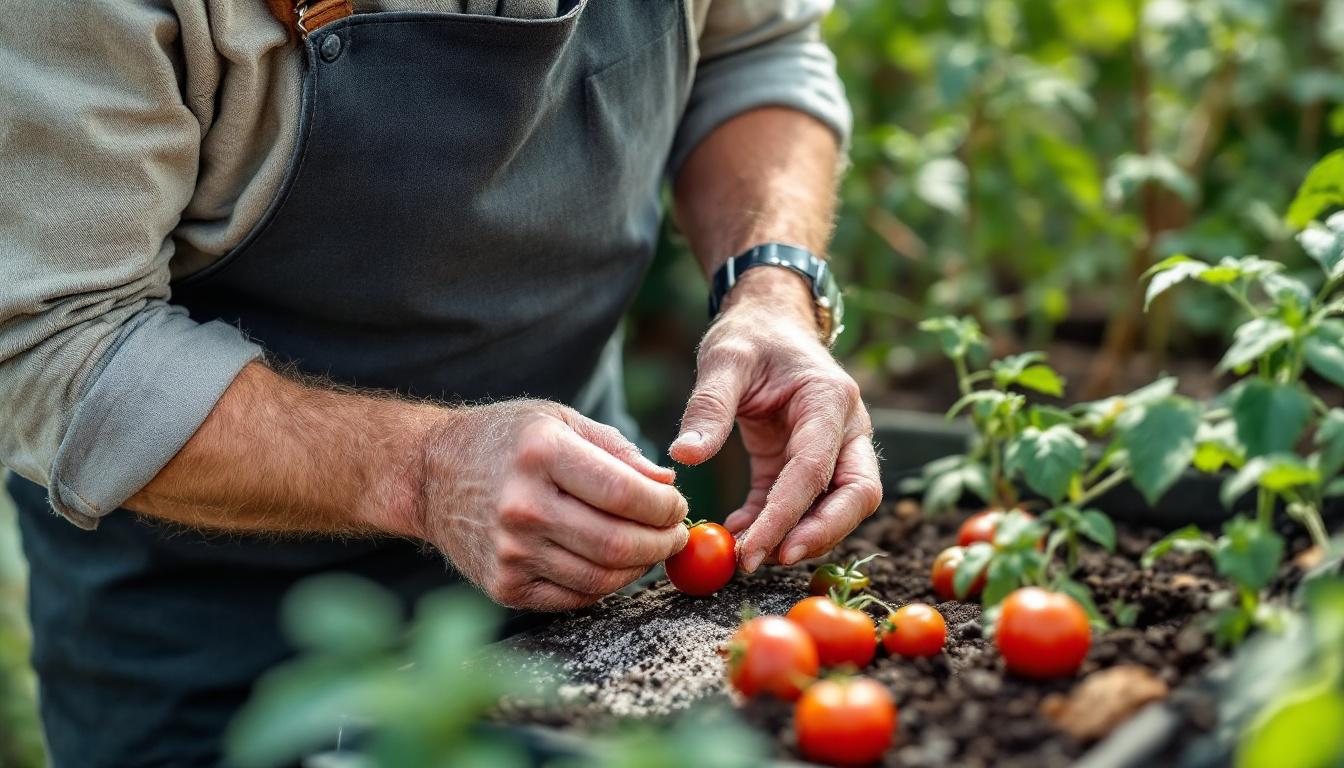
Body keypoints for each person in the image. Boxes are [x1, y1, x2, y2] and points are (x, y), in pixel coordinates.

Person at [0, 1, 882, 765]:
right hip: (218, 653)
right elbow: (51, 337)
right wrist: (422, 471)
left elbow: (753, 48)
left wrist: (772, 288)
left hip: (590, 600)